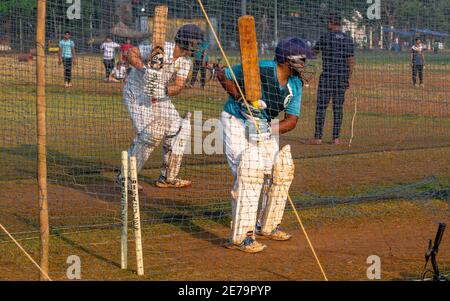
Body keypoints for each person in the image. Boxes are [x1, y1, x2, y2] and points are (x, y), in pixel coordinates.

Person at [217, 37, 311, 253]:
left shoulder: (295, 84)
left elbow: (291, 120)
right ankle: (242, 236)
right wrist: (240, 99)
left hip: (263, 126)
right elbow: (223, 74)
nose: (305, 63)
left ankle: (267, 225)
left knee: (281, 170)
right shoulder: (260, 68)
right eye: (303, 59)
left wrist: (268, 130)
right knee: (250, 171)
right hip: (236, 121)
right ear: (288, 60)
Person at [120, 24, 204, 189]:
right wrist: (145, 70)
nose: (198, 46)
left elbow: (179, 86)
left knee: (180, 127)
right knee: (152, 133)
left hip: (159, 96)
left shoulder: (185, 61)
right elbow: (131, 53)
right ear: (188, 42)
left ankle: (168, 177)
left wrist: (164, 89)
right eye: (197, 43)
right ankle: (126, 177)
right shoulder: (161, 48)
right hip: (137, 94)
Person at [310, 13, 355, 145]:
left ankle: (318, 137)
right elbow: (351, 61)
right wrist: (348, 78)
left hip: (327, 76)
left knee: (321, 107)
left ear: (330, 23)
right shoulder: (348, 39)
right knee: (338, 107)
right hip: (341, 77)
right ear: (339, 24)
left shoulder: (325, 37)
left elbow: (313, 53)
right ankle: (336, 138)